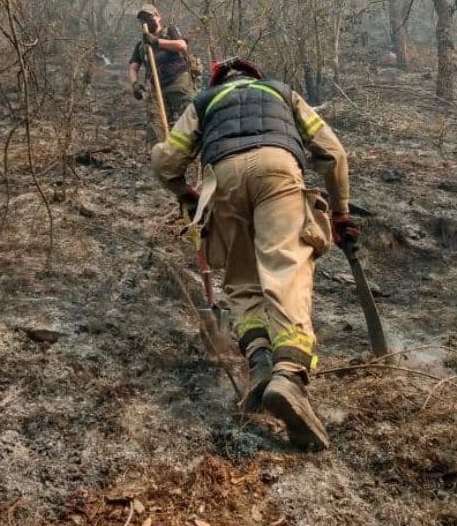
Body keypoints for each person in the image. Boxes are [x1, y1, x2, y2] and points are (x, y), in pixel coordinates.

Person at [150, 57, 356, 452]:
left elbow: (165, 162)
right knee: (285, 267)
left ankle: (260, 363)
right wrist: (342, 211)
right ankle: (289, 374)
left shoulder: (203, 101)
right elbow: (333, 152)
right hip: (278, 170)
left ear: (219, 80)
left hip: (221, 178)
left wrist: (184, 193)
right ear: (254, 77)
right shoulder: (282, 92)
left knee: (243, 280)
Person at [129, 4, 196, 136]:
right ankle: (164, 154)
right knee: (156, 127)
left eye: (149, 17)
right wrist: (134, 84)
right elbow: (133, 67)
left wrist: (157, 42)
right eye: (142, 20)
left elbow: (182, 46)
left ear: (158, 17)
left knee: (191, 120)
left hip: (178, 82)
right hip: (156, 87)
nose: (146, 21)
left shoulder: (169, 31)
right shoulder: (141, 45)